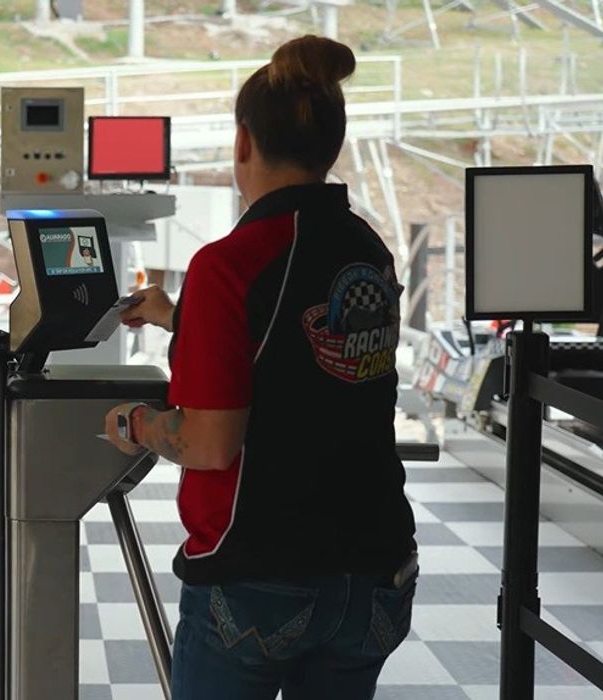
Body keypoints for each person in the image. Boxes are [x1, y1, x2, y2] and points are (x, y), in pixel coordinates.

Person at [105, 36, 417, 700]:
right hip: (375, 570)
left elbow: (209, 445)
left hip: (262, 573)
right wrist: (177, 317)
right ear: (328, 147)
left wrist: (136, 423)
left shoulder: (230, 263)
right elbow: (304, 355)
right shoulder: (367, 249)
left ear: (242, 141)